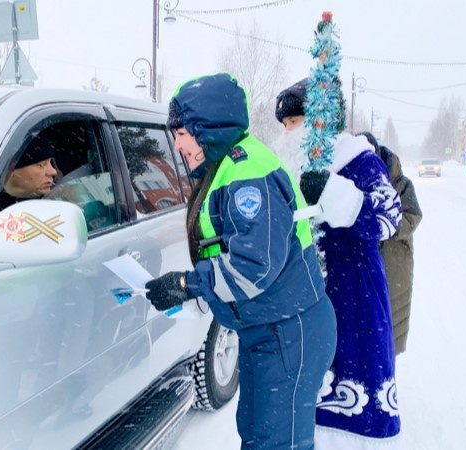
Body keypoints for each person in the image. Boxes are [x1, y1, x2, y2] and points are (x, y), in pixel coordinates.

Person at [144, 73, 337, 450]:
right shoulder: (226, 166)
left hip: (289, 331)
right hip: (266, 327)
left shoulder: (249, 175)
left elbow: (253, 267)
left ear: (207, 127)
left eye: (181, 133)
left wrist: (186, 285)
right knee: (255, 432)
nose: (177, 144)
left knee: (278, 443)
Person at [274, 78, 403, 447]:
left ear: (319, 121)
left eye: (294, 122)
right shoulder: (289, 166)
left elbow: (389, 215)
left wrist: (334, 194)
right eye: (285, 124)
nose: (288, 132)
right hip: (306, 293)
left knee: (355, 387)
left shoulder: (359, 160)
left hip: (355, 292)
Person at [359, 132, 423, 356]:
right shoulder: (351, 180)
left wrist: (385, 225)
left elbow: (413, 215)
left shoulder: (399, 183)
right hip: (364, 262)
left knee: (392, 318)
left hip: (394, 261)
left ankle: (386, 367)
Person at [0, 137, 58, 223]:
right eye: (41, 165)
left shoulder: (58, 200)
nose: (53, 171)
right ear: (11, 170)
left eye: (50, 162)